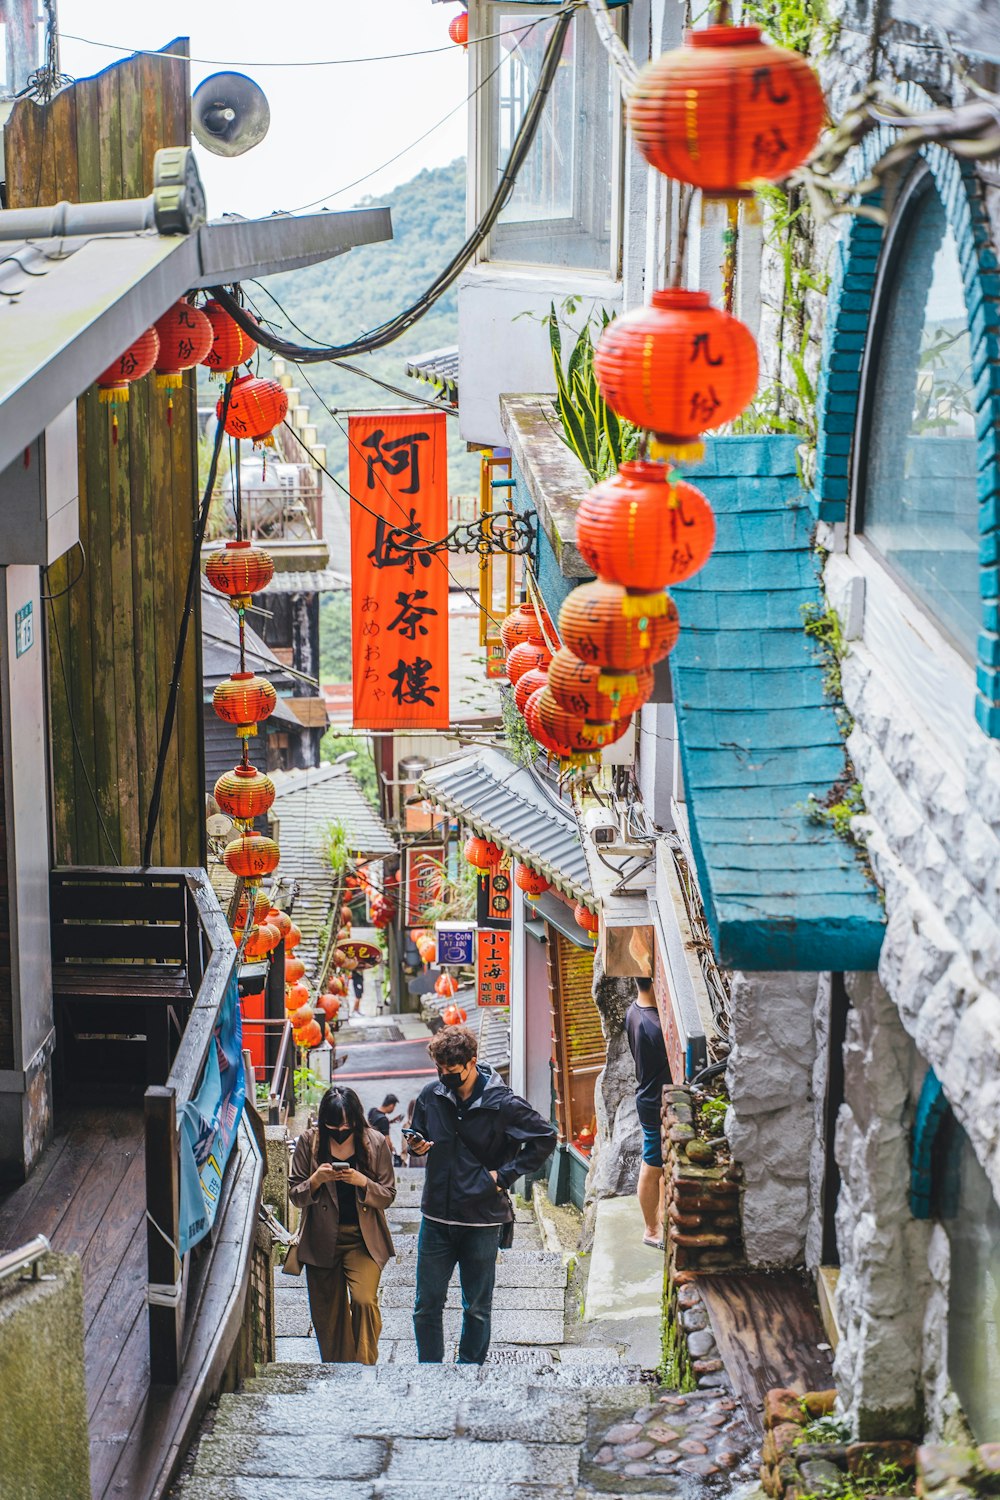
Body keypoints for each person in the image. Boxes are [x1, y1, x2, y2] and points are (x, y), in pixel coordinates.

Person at [408, 1025, 556, 1365]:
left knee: (475, 1307)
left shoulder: (502, 1103)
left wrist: (503, 1176)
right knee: (425, 1304)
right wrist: (416, 1143)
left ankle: (468, 1372)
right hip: (436, 1216)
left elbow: (545, 1137)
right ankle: (429, 1372)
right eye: (440, 1071)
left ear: (472, 1063)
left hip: (481, 1218)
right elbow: (420, 1133)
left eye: (453, 1073)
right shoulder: (432, 1095)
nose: (445, 1078)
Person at [288, 1085, 396, 1363]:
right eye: (334, 1125)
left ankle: (364, 1366)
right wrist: (316, 1180)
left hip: (363, 1240)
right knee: (328, 1315)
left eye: (347, 1124)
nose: (341, 1130)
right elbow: (295, 1194)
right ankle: (338, 1371)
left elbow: (388, 1195)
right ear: (324, 1121)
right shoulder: (309, 1142)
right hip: (321, 1240)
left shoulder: (375, 1142)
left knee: (364, 1300)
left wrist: (363, 1182)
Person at [624, 976, 671, 1249]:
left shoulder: (635, 1010)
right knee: (652, 1166)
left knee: (660, 1165)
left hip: (648, 1095)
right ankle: (651, 1230)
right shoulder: (654, 1025)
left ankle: (660, 1220)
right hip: (655, 1101)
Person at [404, 1098, 426, 1169]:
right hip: (423, 1156)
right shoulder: (424, 1124)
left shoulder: (407, 1125)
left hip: (414, 1156)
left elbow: (404, 1145)